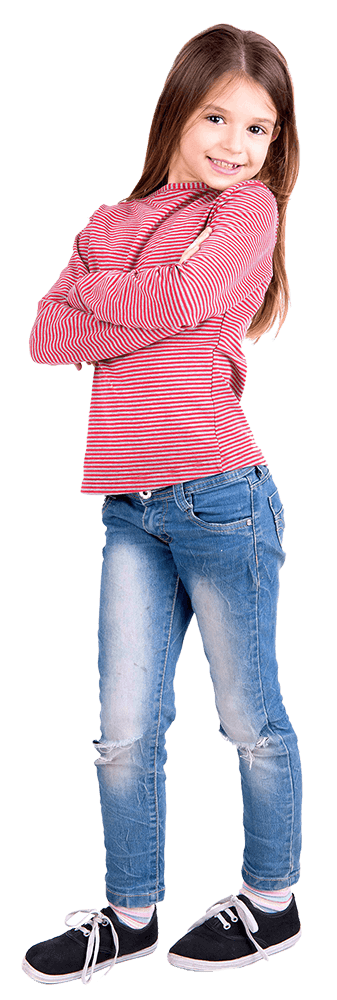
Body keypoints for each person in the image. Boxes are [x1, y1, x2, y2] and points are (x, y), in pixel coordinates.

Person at [22, 23, 302, 983]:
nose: (234, 144)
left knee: (246, 718)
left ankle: (271, 902)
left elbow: (182, 305)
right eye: (217, 116)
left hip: (221, 494)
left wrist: (112, 296)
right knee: (123, 730)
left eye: (258, 130)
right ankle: (130, 914)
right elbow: (46, 336)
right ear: (176, 110)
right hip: (129, 508)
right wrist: (140, 288)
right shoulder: (113, 217)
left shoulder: (250, 215)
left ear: (276, 147)